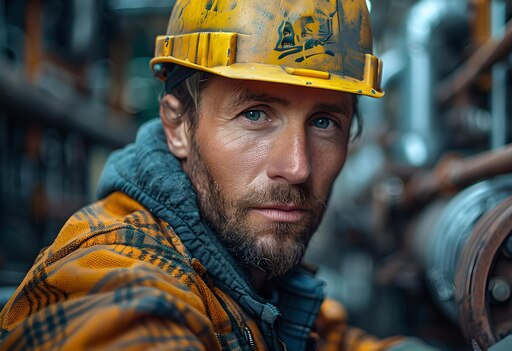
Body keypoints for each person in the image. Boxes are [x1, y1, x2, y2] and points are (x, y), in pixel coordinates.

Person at [0, 1, 438, 350]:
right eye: (255, 114)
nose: (297, 167)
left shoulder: (255, 276)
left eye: (325, 122)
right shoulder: (116, 269)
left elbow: (325, 338)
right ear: (178, 128)